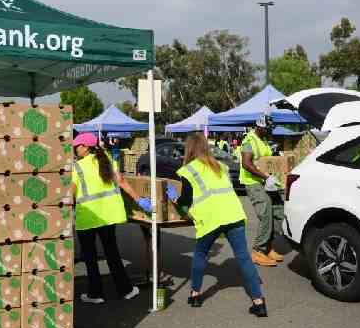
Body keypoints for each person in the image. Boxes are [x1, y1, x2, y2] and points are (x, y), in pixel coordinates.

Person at [166, 133, 266, 315]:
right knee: (243, 257)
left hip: (211, 218)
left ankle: (195, 294)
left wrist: (173, 197)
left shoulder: (188, 170)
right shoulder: (221, 166)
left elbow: (185, 201)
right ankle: (259, 302)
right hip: (234, 214)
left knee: (200, 254)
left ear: (189, 149)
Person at [72, 132, 150, 304]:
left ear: (85, 147)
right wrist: (139, 199)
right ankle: (126, 290)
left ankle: (95, 294)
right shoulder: (107, 160)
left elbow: (71, 192)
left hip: (88, 218)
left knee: (90, 258)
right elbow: (122, 181)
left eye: (76, 146)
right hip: (107, 217)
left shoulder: (77, 168)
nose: (75, 149)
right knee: (112, 253)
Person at [239, 114, 285, 267]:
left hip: (266, 182)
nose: (269, 131)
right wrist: (266, 177)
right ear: (260, 126)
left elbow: (267, 161)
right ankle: (258, 251)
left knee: (278, 210)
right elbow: (246, 163)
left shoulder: (263, 141)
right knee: (265, 212)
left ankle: (268, 247)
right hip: (253, 182)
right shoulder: (249, 140)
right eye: (267, 129)